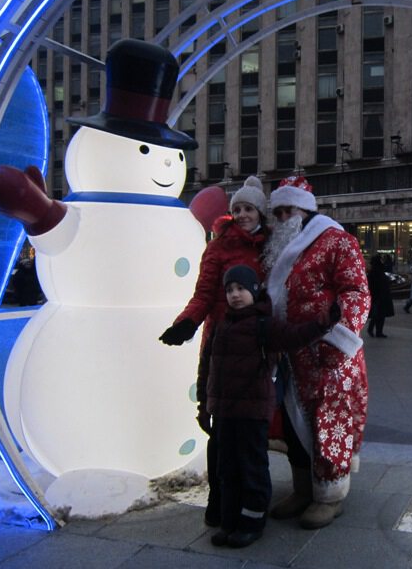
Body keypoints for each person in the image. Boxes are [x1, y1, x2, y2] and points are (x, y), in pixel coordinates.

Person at [159, 175, 268, 528]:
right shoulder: (218, 247)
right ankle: (219, 502)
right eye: (237, 209)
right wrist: (186, 323)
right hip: (221, 344)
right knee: (219, 429)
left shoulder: (273, 246)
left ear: (260, 212)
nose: (243, 214)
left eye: (249, 208)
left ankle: (252, 504)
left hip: (259, 345)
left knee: (252, 431)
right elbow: (204, 292)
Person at [263, 175, 370, 529]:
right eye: (276, 212)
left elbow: (356, 290)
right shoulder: (281, 247)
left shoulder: (337, 241)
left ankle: (330, 496)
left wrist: (339, 336)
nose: (281, 218)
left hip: (329, 354)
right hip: (292, 355)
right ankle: (302, 489)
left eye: (287, 210)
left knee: (330, 424)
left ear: (304, 210)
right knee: (296, 426)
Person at [207, 265, 340, 548]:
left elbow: (294, 336)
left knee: (251, 467)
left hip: (252, 412)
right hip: (224, 412)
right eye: (230, 290)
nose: (235, 295)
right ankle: (230, 522)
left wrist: (322, 323)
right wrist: (205, 407)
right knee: (226, 469)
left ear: (254, 291)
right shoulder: (222, 324)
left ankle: (252, 522)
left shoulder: (263, 325)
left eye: (241, 289)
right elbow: (209, 367)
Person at [366, 254, 394, 338]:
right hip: (379, 296)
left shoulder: (375, 271)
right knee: (379, 315)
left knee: (378, 314)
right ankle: (375, 330)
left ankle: (376, 331)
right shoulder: (376, 272)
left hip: (379, 296)